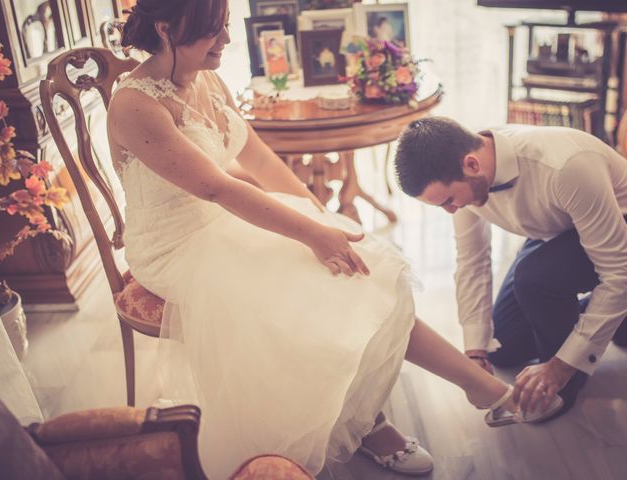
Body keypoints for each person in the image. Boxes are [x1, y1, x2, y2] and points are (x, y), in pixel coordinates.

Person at [109, 2, 557, 478]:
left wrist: (322, 219)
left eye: (224, 28)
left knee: (361, 268)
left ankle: (474, 390)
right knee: (306, 286)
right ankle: (370, 425)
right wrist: (313, 234)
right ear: (165, 28)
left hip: (224, 220)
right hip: (174, 244)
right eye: (211, 33)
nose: (225, 41)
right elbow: (217, 187)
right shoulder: (135, 105)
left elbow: (258, 159)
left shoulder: (207, 78)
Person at [395, 117, 627, 421]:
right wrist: (474, 351)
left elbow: (619, 272)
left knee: (533, 278)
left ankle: (565, 384)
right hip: (558, 230)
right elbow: (472, 261)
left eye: (449, 201)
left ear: (472, 165)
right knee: (502, 347)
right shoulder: (465, 177)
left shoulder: (567, 164)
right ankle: (612, 317)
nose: (450, 210)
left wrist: (560, 365)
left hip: (619, 232)